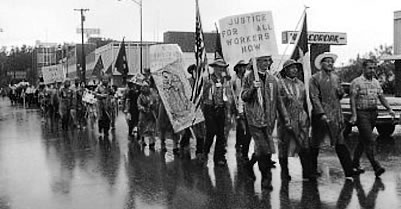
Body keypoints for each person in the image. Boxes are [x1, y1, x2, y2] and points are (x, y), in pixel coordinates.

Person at [309, 52, 361, 180]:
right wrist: (321, 113)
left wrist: (341, 92)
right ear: (321, 64)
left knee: (340, 141)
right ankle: (310, 172)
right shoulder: (314, 78)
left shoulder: (336, 78)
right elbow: (314, 97)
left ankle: (349, 171)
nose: (330, 64)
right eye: (327, 61)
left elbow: (339, 95)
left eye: (331, 61)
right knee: (316, 143)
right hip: (321, 115)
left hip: (336, 114)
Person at [241, 55, 290, 189]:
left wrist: (285, 118)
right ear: (257, 62)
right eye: (263, 60)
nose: (266, 63)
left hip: (269, 120)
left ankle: (249, 165)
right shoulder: (249, 77)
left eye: (268, 60)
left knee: (262, 149)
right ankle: (266, 178)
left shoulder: (273, 79)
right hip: (254, 119)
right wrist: (252, 88)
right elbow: (244, 97)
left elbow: (278, 101)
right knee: (265, 149)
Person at [349, 59, 394, 177]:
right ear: (363, 68)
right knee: (369, 139)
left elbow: (381, 96)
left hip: (373, 113)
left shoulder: (376, 82)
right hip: (361, 113)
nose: (372, 70)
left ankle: (354, 163)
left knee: (363, 140)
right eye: (370, 68)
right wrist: (354, 115)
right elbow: (352, 99)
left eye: (374, 68)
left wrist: (389, 109)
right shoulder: (356, 82)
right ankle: (376, 166)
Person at [277, 59, 313, 181]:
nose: (295, 70)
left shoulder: (301, 84)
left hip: (301, 119)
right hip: (285, 118)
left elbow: (305, 102)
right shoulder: (280, 84)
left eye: (296, 68)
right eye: (291, 68)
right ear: (286, 70)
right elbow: (277, 102)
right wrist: (284, 98)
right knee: (284, 146)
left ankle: (307, 173)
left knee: (304, 144)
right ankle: (284, 172)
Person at [203, 58, 229, 166]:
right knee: (211, 132)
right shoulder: (207, 79)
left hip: (221, 108)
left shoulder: (225, 80)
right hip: (209, 108)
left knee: (220, 134)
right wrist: (206, 87)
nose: (220, 69)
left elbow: (228, 95)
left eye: (222, 67)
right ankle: (205, 153)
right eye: (218, 67)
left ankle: (218, 157)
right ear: (214, 68)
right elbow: (202, 95)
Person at [180, 64, 207, 162]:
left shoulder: (204, 82)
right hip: (190, 110)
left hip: (201, 110)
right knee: (188, 131)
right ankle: (183, 145)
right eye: (195, 71)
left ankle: (199, 152)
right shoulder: (188, 82)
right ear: (192, 72)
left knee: (201, 132)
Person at [231, 60, 252, 161]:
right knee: (241, 126)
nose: (243, 69)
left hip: (246, 104)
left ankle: (242, 145)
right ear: (238, 68)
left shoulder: (247, 78)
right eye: (242, 67)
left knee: (246, 128)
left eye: (245, 66)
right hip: (236, 104)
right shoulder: (234, 79)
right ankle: (239, 143)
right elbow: (232, 92)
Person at [137, 81, 158, 149]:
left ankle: (152, 142)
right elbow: (138, 104)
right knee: (142, 127)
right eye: (144, 87)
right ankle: (142, 139)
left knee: (151, 129)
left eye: (146, 87)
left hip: (151, 114)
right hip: (143, 115)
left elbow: (155, 102)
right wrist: (143, 108)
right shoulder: (140, 96)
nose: (145, 89)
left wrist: (153, 105)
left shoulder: (151, 95)